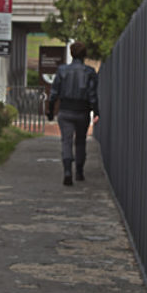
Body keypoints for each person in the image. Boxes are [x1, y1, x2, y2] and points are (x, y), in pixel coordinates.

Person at [46, 42, 99, 186]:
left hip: (65, 110)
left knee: (66, 141)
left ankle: (67, 171)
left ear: (71, 53)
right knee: (81, 141)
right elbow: (93, 94)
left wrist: (50, 109)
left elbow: (54, 92)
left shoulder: (62, 70)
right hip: (82, 111)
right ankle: (79, 171)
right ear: (85, 55)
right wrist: (96, 111)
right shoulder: (90, 72)